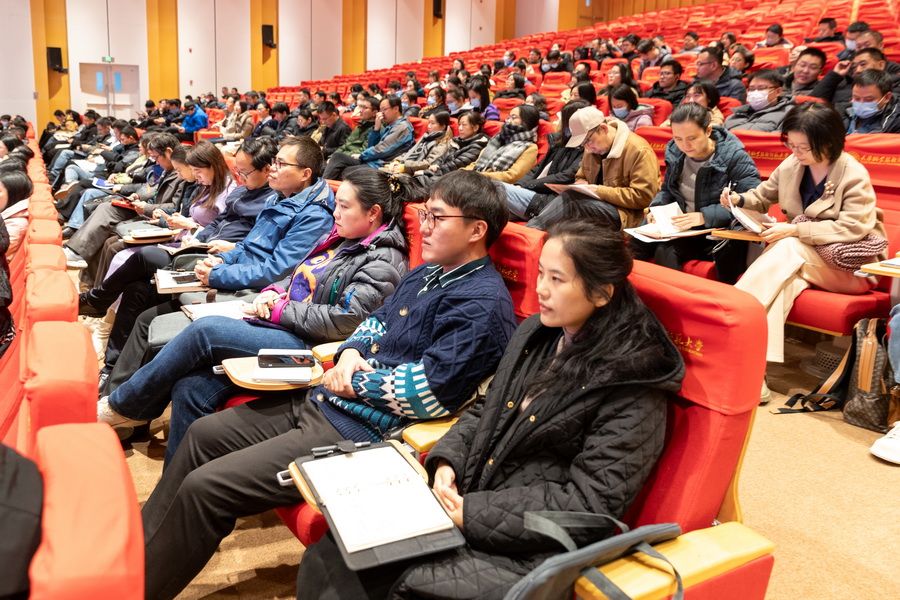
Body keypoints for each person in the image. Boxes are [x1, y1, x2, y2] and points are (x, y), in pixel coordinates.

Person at [135, 170, 517, 600]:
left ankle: (139, 588)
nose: (423, 227)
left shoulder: (482, 304)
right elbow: (376, 321)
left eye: (437, 217)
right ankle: (138, 549)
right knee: (202, 435)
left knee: (207, 488)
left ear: (476, 230)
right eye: (424, 215)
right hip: (325, 398)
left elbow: (430, 393)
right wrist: (351, 352)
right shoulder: (427, 273)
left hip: (363, 432)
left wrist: (355, 380)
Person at [296, 217, 685, 599]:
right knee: (335, 552)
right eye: (541, 274)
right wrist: (447, 463)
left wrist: (472, 514)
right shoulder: (540, 335)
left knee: (375, 580)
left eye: (557, 279)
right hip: (469, 499)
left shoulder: (632, 380)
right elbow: (487, 407)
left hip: (532, 544)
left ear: (601, 294)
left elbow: (590, 505)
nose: (541, 290)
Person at [98, 167, 418, 460]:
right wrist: (272, 292)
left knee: (205, 331)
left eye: (344, 206)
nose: (335, 212)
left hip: (310, 349)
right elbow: (295, 275)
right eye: (337, 204)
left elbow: (346, 320)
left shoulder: (384, 259)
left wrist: (281, 309)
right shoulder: (341, 239)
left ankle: (122, 405)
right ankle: (179, 487)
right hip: (285, 326)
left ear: (373, 213)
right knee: (190, 388)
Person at [101, 136, 336, 396]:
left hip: (257, 292)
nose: (273, 169)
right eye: (274, 162)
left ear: (305, 173)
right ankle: (112, 386)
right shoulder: (278, 198)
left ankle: (120, 400)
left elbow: (277, 270)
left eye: (281, 164)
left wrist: (219, 273)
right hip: (236, 273)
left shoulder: (315, 215)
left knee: (151, 319)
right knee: (139, 292)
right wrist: (223, 260)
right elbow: (247, 245)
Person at [78, 139, 279, 372]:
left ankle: (97, 300)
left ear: (267, 170)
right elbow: (218, 224)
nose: (240, 177)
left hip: (220, 259)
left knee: (145, 256)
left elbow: (258, 248)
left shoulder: (271, 201)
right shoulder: (241, 192)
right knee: (135, 289)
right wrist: (198, 237)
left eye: (245, 172)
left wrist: (227, 247)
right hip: (201, 247)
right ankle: (111, 367)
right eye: (238, 171)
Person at [722, 103, 886, 378]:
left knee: (787, 245)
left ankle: (731, 314)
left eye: (804, 147)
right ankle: (753, 373)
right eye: (791, 145)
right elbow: (762, 197)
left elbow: (853, 227)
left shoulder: (853, 173)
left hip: (850, 267)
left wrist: (795, 230)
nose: (796, 153)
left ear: (829, 142)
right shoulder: (792, 165)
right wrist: (738, 199)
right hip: (803, 261)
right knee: (784, 285)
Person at [631, 104, 760, 283]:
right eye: (678, 138)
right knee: (633, 246)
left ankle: (671, 299)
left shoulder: (734, 157)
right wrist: (657, 209)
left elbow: (751, 203)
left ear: (708, 131)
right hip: (680, 227)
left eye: (692, 138)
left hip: (714, 233)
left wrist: (704, 217)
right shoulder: (675, 152)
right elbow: (668, 189)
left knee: (665, 250)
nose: (685, 145)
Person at [531, 106, 660, 230]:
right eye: (583, 144)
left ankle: (533, 231)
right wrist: (580, 183)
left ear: (603, 129)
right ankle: (535, 231)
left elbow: (643, 197)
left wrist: (599, 191)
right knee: (569, 198)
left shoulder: (639, 151)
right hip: (595, 204)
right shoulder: (592, 149)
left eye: (588, 140)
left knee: (573, 203)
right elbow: (581, 175)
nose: (587, 147)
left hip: (625, 214)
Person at [497, 99, 588, 220]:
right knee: (484, 209)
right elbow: (536, 169)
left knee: (491, 188)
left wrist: (528, 185)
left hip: (548, 201)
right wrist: (520, 185)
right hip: (533, 192)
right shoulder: (560, 143)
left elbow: (566, 177)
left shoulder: (588, 148)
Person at [323, 96, 414, 179]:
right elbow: (372, 146)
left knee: (340, 162)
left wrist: (362, 155)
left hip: (382, 166)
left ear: (396, 109)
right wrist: (376, 129)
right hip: (373, 162)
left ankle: (322, 188)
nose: (381, 113)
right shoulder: (390, 126)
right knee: (335, 166)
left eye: (384, 109)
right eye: (380, 110)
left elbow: (381, 149)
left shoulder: (402, 127)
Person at [463, 104, 538, 183]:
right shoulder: (498, 139)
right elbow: (476, 164)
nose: (508, 120)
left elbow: (512, 176)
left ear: (526, 121)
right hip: (478, 179)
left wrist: (477, 176)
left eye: (514, 117)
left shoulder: (530, 148)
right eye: (509, 117)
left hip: (496, 185)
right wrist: (461, 172)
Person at [413, 111, 489, 184]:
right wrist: (435, 165)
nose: (460, 128)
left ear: (475, 128)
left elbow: (455, 166)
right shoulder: (457, 141)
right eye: (459, 124)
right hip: (440, 175)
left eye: (464, 125)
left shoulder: (478, 146)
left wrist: (427, 172)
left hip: (453, 180)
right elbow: (442, 158)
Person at [811, 48, 896, 114]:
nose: (858, 70)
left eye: (863, 64)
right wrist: (835, 75)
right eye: (854, 66)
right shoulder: (841, 82)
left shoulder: (895, 82)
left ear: (881, 65)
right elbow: (812, 102)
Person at [382, 111, 453, 175]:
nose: (429, 126)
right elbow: (411, 151)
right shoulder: (426, 136)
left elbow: (429, 163)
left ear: (443, 126)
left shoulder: (443, 143)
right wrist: (397, 160)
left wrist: (404, 167)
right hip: (406, 165)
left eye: (432, 123)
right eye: (429, 122)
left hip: (417, 173)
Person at [725, 70, 794, 132]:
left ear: (778, 91)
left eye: (761, 88)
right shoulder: (735, 114)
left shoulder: (790, 113)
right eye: (752, 89)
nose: (755, 93)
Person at [844, 69, 900, 134]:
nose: (861, 103)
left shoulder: (896, 121)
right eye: (857, 98)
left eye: (868, 99)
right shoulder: (843, 111)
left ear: (887, 97)